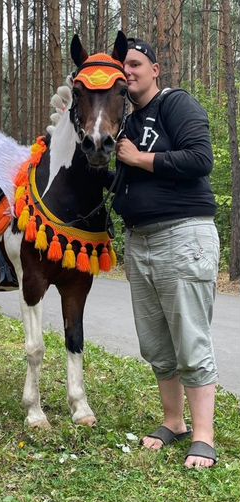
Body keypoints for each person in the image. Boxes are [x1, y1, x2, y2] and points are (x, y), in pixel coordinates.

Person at [113, 38, 219, 468]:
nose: (130, 71)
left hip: (184, 234)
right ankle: (174, 423)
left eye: (136, 64)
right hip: (140, 241)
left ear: (155, 70)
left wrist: (140, 160)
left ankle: (205, 437)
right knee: (156, 342)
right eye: (125, 67)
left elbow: (200, 159)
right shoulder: (124, 124)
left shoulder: (176, 105)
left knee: (190, 338)